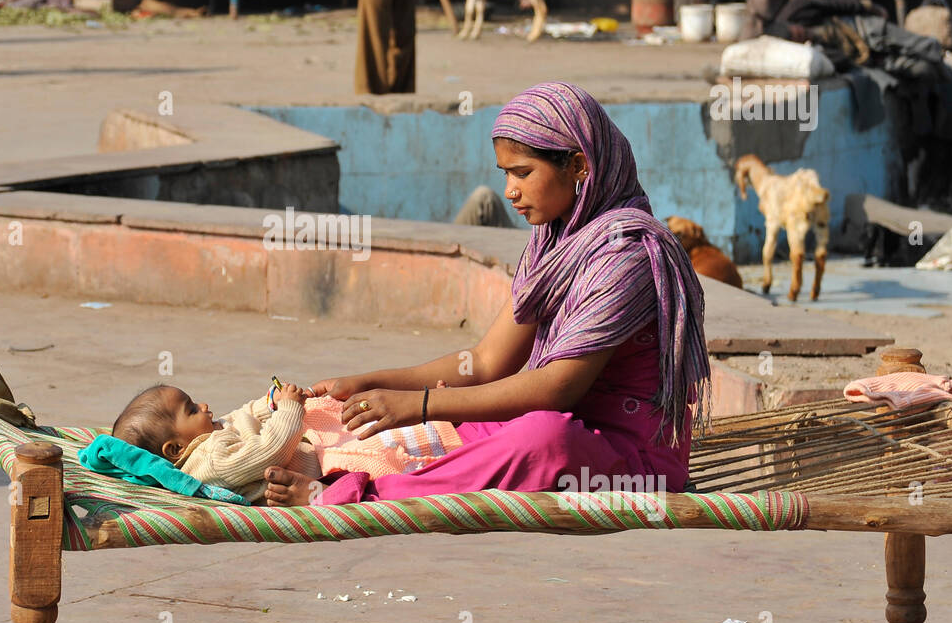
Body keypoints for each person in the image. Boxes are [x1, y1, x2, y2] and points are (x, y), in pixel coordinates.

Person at [264, 81, 711, 507]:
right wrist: (369, 383)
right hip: (559, 421)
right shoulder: (556, 241)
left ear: (578, 166)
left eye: (522, 173)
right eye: (505, 174)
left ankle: (367, 497)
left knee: (542, 440)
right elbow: (484, 363)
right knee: (431, 422)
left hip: (628, 458)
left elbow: (557, 389)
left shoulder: (625, 253)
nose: (509, 191)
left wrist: (417, 405)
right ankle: (363, 467)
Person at [111, 381, 463, 505]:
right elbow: (270, 450)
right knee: (380, 445)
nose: (204, 406)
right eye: (191, 409)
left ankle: (441, 412)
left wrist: (271, 402)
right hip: (321, 465)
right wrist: (290, 410)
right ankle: (446, 431)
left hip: (314, 445)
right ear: (174, 449)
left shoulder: (210, 436)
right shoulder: (212, 462)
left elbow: (243, 416)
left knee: (353, 419)